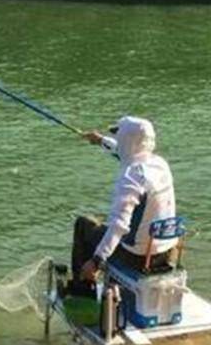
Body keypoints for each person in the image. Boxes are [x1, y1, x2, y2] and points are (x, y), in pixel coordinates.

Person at [71, 115, 178, 291]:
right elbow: (126, 153)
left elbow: (119, 225)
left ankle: (81, 290)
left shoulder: (131, 178)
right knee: (104, 226)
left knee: (84, 225)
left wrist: (96, 261)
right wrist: (100, 141)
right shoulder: (160, 164)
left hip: (138, 256)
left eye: (119, 135)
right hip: (165, 252)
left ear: (128, 140)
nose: (117, 139)